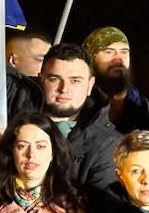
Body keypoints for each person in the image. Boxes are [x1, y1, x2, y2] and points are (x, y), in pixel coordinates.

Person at [38, 42, 120, 190]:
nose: (64, 89)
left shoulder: (107, 142)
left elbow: (102, 198)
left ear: (90, 85)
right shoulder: (13, 117)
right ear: (40, 80)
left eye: (75, 81)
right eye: (54, 79)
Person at [82, 26, 149, 134]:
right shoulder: (78, 97)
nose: (118, 59)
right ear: (92, 58)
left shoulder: (140, 104)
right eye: (109, 52)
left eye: (124, 52)